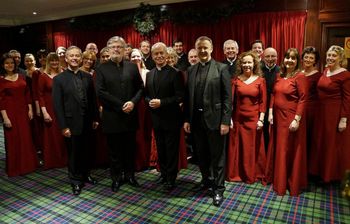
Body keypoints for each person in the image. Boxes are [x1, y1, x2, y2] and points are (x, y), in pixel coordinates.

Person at [183, 36, 232, 206]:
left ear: (211, 49)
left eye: (205, 48)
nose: (202, 51)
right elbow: (188, 97)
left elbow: (227, 98)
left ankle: (218, 189)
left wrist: (225, 121)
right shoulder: (191, 70)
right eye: (200, 48)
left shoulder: (222, 68)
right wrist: (187, 120)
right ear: (196, 50)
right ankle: (206, 181)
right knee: (201, 155)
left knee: (217, 157)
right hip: (196, 121)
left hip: (216, 121)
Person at [95, 36, 143, 192]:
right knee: (114, 151)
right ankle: (116, 178)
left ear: (124, 50)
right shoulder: (101, 68)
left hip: (130, 115)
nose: (116, 49)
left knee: (130, 149)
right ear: (108, 49)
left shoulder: (132, 67)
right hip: (112, 117)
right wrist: (120, 105)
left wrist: (133, 103)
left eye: (119, 47)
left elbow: (141, 88)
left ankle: (130, 176)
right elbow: (100, 92)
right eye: (113, 47)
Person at [52, 46, 99, 195]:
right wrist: (63, 126)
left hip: (87, 121)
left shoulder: (87, 77)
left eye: (77, 56)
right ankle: (75, 180)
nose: (74, 58)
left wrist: (95, 118)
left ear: (81, 58)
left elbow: (92, 100)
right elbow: (57, 105)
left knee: (87, 150)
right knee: (73, 153)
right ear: (66, 59)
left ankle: (86, 175)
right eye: (71, 56)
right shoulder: (59, 79)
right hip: (71, 123)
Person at [265, 48, 307, 196]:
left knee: (286, 149)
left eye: (293, 58)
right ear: (284, 59)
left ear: (297, 61)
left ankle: (286, 182)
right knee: (278, 148)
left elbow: (303, 99)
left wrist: (297, 119)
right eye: (287, 58)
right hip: (277, 117)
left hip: (290, 118)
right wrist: (270, 112)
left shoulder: (300, 77)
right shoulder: (279, 75)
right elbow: (273, 95)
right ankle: (277, 178)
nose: (289, 61)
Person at [145, 42, 185, 191]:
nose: (159, 56)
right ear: (153, 56)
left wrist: (161, 102)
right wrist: (150, 101)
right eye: (156, 54)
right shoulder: (150, 74)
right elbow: (146, 95)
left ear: (166, 55)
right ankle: (164, 174)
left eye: (161, 53)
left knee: (171, 150)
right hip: (156, 119)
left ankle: (171, 178)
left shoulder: (175, 73)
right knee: (161, 149)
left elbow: (180, 96)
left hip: (171, 119)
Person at [309, 45, 350, 182]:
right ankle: (318, 171)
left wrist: (343, 119)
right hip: (321, 112)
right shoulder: (326, 71)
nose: (330, 58)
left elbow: (347, 99)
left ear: (340, 58)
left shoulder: (345, 74)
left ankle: (329, 176)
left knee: (331, 144)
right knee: (320, 142)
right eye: (329, 55)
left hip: (334, 114)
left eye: (334, 55)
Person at [226, 51, 267, 184]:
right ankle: (238, 173)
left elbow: (263, 102)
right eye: (244, 62)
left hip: (253, 119)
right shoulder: (236, 80)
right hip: (238, 120)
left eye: (249, 62)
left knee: (251, 147)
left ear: (254, 63)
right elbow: (231, 102)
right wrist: (229, 119)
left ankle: (253, 173)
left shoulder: (261, 81)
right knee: (239, 147)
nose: (246, 65)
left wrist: (261, 119)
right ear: (240, 64)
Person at [0, 53, 37, 177]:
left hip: (23, 111)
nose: (10, 65)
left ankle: (28, 166)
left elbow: (28, 94)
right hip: (9, 113)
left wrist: (30, 109)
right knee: (13, 139)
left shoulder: (22, 76)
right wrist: (5, 118)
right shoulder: (1, 80)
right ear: (3, 65)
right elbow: (1, 101)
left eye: (12, 63)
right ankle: (15, 168)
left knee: (26, 138)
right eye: (7, 63)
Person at [38, 52, 67, 169]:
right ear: (48, 62)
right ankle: (53, 160)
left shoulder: (64, 73)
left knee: (63, 133)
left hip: (64, 107)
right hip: (50, 108)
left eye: (56, 60)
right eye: (52, 61)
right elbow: (40, 95)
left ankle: (64, 159)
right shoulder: (43, 76)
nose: (54, 62)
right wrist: (44, 112)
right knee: (52, 135)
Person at [130, 48, 153, 171]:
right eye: (133, 56)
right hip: (132, 106)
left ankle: (145, 161)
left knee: (144, 133)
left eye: (137, 56)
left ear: (141, 57)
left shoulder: (147, 72)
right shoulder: (126, 72)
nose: (135, 58)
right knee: (134, 135)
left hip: (144, 107)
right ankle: (134, 162)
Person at [300, 46, 321, 155]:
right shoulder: (299, 74)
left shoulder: (319, 76)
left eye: (311, 58)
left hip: (312, 112)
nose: (308, 60)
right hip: (299, 110)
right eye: (306, 57)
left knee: (310, 138)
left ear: (315, 61)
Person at [261, 47, 280, 152]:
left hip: (275, 107)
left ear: (277, 57)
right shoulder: (258, 69)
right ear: (263, 57)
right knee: (263, 133)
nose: (270, 58)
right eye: (267, 56)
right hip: (261, 106)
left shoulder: (281, 71)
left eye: (273, 56)